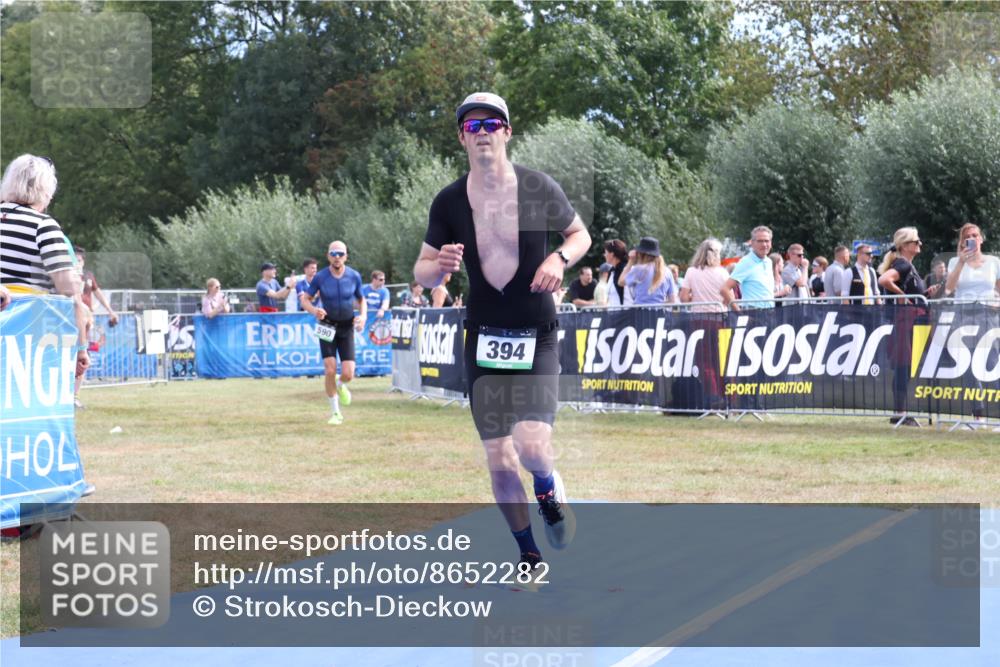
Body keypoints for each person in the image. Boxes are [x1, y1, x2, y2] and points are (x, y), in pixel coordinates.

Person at [414, 91, 590, 580]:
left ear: (508, 132)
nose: (483, 132)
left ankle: (550, 491)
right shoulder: (449, 201)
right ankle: (529, 556)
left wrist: (559, 258)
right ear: (462, 139)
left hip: (536, 332)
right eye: (472, 126)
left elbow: (579, 235)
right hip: (483, 335)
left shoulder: (537, 187)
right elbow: (423, 269)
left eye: (492, 123)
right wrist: (438, 269)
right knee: (497, 454)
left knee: (532, 446)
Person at [0, 154, 89, 378]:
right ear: (46, 191)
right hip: (24, 332)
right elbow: (69, 289)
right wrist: (81, 349)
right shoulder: (43, 226)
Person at [300, 241, 366, 426]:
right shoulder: (320, 277)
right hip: (326, 325)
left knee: (348, 374)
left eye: (340, 253)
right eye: (333, 253)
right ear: (328, 256)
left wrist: (363, 316)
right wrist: (315, 311)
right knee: (329, 369)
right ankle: (336, 412)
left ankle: (341, 384)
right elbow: (305, 299)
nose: (337, 257)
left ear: (346, 256)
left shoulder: (354, 276)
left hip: (346, 326)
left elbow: (362, 300)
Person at [944, 223, 1000, 421]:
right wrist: (960, 262)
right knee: (967, 364)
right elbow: (949, 289)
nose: (972, 238)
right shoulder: (954, 262)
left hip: (988, 315)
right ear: (962, 242)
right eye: (967, 236)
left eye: (975, 235)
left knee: (993, 361)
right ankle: (978, 413)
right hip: (963, 314)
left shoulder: (994, 262)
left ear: (981, 239)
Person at [877, 227, 928, 427]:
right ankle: (900, 412)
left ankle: (900, 412)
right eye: (916, 242)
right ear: (905, 246)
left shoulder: (907, 265)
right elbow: (884, 279)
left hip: (910, 321)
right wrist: (903, 296)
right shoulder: (903, 265)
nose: (920, 244)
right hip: (905, 321)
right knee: (902, 367)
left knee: (904, 368)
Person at [680, 238, 729, 409]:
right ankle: (726, 397)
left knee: (704, 361)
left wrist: (697, 297)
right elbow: (727, 296)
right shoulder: (723, 273)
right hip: (720, 318)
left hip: (700, 319)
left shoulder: (692, 272)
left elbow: (684, 298)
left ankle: (712, 396)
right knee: (721, 360)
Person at [721, 226, 775, 311]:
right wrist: (739, 312)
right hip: (753, 312)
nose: (764, 244)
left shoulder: (769, 262)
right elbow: (725, 289)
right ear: (752, 243)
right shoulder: (746, 262)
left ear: (771, 242)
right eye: (760, 241)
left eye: (766, 241)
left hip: (770, 311)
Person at [619, 237, 678, 305]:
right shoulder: (667, 271)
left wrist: (630, 261)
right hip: (661, 313)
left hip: (641, 312)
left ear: (641, 254)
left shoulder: (639, 269)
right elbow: (672, 300)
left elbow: (620, 282)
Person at [76, 248, 119, 326]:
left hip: (87, 318)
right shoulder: (68, 277)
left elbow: (98, 293)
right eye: (74, 261)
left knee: (86, 337)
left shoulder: (89, 275)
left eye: (78, 261)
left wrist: (110, 311)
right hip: (73, 316)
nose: (76, 263)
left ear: (83, 262)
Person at [603, 239, 628, 306]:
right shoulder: (612, 271)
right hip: (614, 312)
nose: (604, 255)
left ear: (612, 254)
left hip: (624, 312)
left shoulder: (624, 270)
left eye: (606, 252)